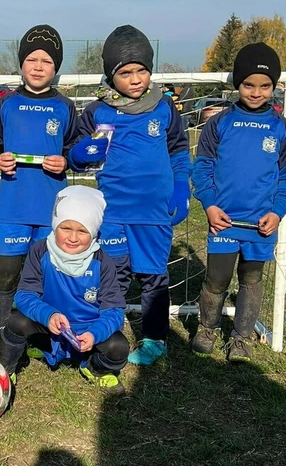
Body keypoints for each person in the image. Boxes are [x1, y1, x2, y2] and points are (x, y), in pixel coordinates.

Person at [67, 25, 191, 366]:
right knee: (114, 275)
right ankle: (108, 335)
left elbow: (180, 150)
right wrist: (82, 153)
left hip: (153, 213)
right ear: (111, 75)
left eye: (141, 70)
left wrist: (182, 187)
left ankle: (154, 339)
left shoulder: (164, 107)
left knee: (153, 277)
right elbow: (75, 155)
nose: (135, 79)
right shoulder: (98, 110)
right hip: (113, 213)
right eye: (125, 73)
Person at [191, 42, 286, 361]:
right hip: (223, 220)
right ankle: (208, 328)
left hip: (261, 225)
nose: (256, 92)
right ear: (238, 84)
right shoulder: (219, 123)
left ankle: (241, 338)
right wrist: (210, 205)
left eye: (264, 86)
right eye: (248, 84)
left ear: (274, 87)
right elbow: (203, 167)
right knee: (217, 279)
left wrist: (278, 212)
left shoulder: (282, 128)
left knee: (251, 279)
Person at [0, 24, 78, 357]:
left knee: (45, 276)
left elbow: (75, 149)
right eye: (32, 59)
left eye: (47, 61)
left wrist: (65, 161)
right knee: (8, 273)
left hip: (52, 210)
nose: (38, 66)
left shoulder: (65, 107)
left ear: (56, 68)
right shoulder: (6, 103)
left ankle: (39, 334)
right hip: (14, 206)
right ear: (21, 63)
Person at [0, 185, 129, 391]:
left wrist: (95, 334)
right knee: (15, 322)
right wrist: (48, 315)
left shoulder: (103, 262)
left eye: (82, 231)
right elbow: (24, 295)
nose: (73, 238)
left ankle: (93, 367)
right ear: (55, 225)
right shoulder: (40, 251)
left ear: (93, 233)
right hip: (51, 326)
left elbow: (114, 311)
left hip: (86, 330)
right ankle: (4, 371)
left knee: (118, 348)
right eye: (66, 228)